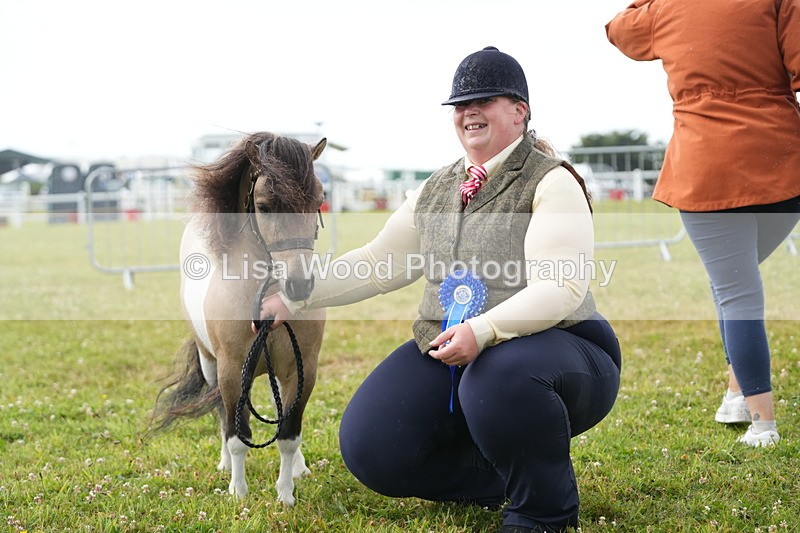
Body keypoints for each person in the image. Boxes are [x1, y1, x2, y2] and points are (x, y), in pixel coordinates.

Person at [257, 46, 621, 532]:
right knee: (371, 446)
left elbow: (561, 288)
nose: (469, 111)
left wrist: (484, 330)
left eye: (485, 99)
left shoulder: (552, 182)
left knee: (498, 377)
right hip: (454, 346)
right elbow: (379, 262)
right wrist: (294, 296)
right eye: (460, 104)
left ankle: (541, 510)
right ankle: (503, 478)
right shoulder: (435, 188)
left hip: (564, 350)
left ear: (520, 111)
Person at [606, 1, 800, 447]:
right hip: (781, 160)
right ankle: (736, 393)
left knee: (735, 291)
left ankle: (762, 423)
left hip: (705, 165)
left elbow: (621, 30)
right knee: (732, 284)